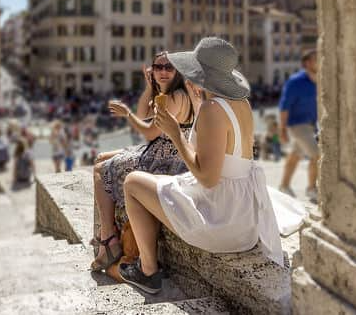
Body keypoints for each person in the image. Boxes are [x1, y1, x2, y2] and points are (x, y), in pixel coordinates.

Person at [119, 38, 292, 294]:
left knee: (132, 182)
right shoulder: (239, 103)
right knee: (159, 182)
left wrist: (175, 134)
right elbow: (222, 153)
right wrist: (198, 103)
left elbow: (208, 178)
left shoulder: (212, 109)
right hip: (242, 216)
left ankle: (147, 271)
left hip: (222, 219)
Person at [90, 51, 197, 272]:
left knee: (101, 169)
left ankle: (108, 238)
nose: (164, 71)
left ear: (177, 70)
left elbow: (148, 132)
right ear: (152, 70)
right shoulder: (167, 94)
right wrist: (149, 87)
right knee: (101, 158)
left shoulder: (175, 97)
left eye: (169, 67)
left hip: (167, 158)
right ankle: (106, 238)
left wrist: (127, 114)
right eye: (158, 67)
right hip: (161, 151)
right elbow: (144, 115)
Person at [278, 49, 319, 202]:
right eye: (316, 59)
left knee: (295, 155)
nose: (320, 61)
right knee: (317, 154)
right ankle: (311, 188)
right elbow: (284, 106)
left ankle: (284, 185)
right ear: (307, 63)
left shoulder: (318, 81)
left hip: (311, 125)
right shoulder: (295, 81)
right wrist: (282, 129)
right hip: (297, 125)